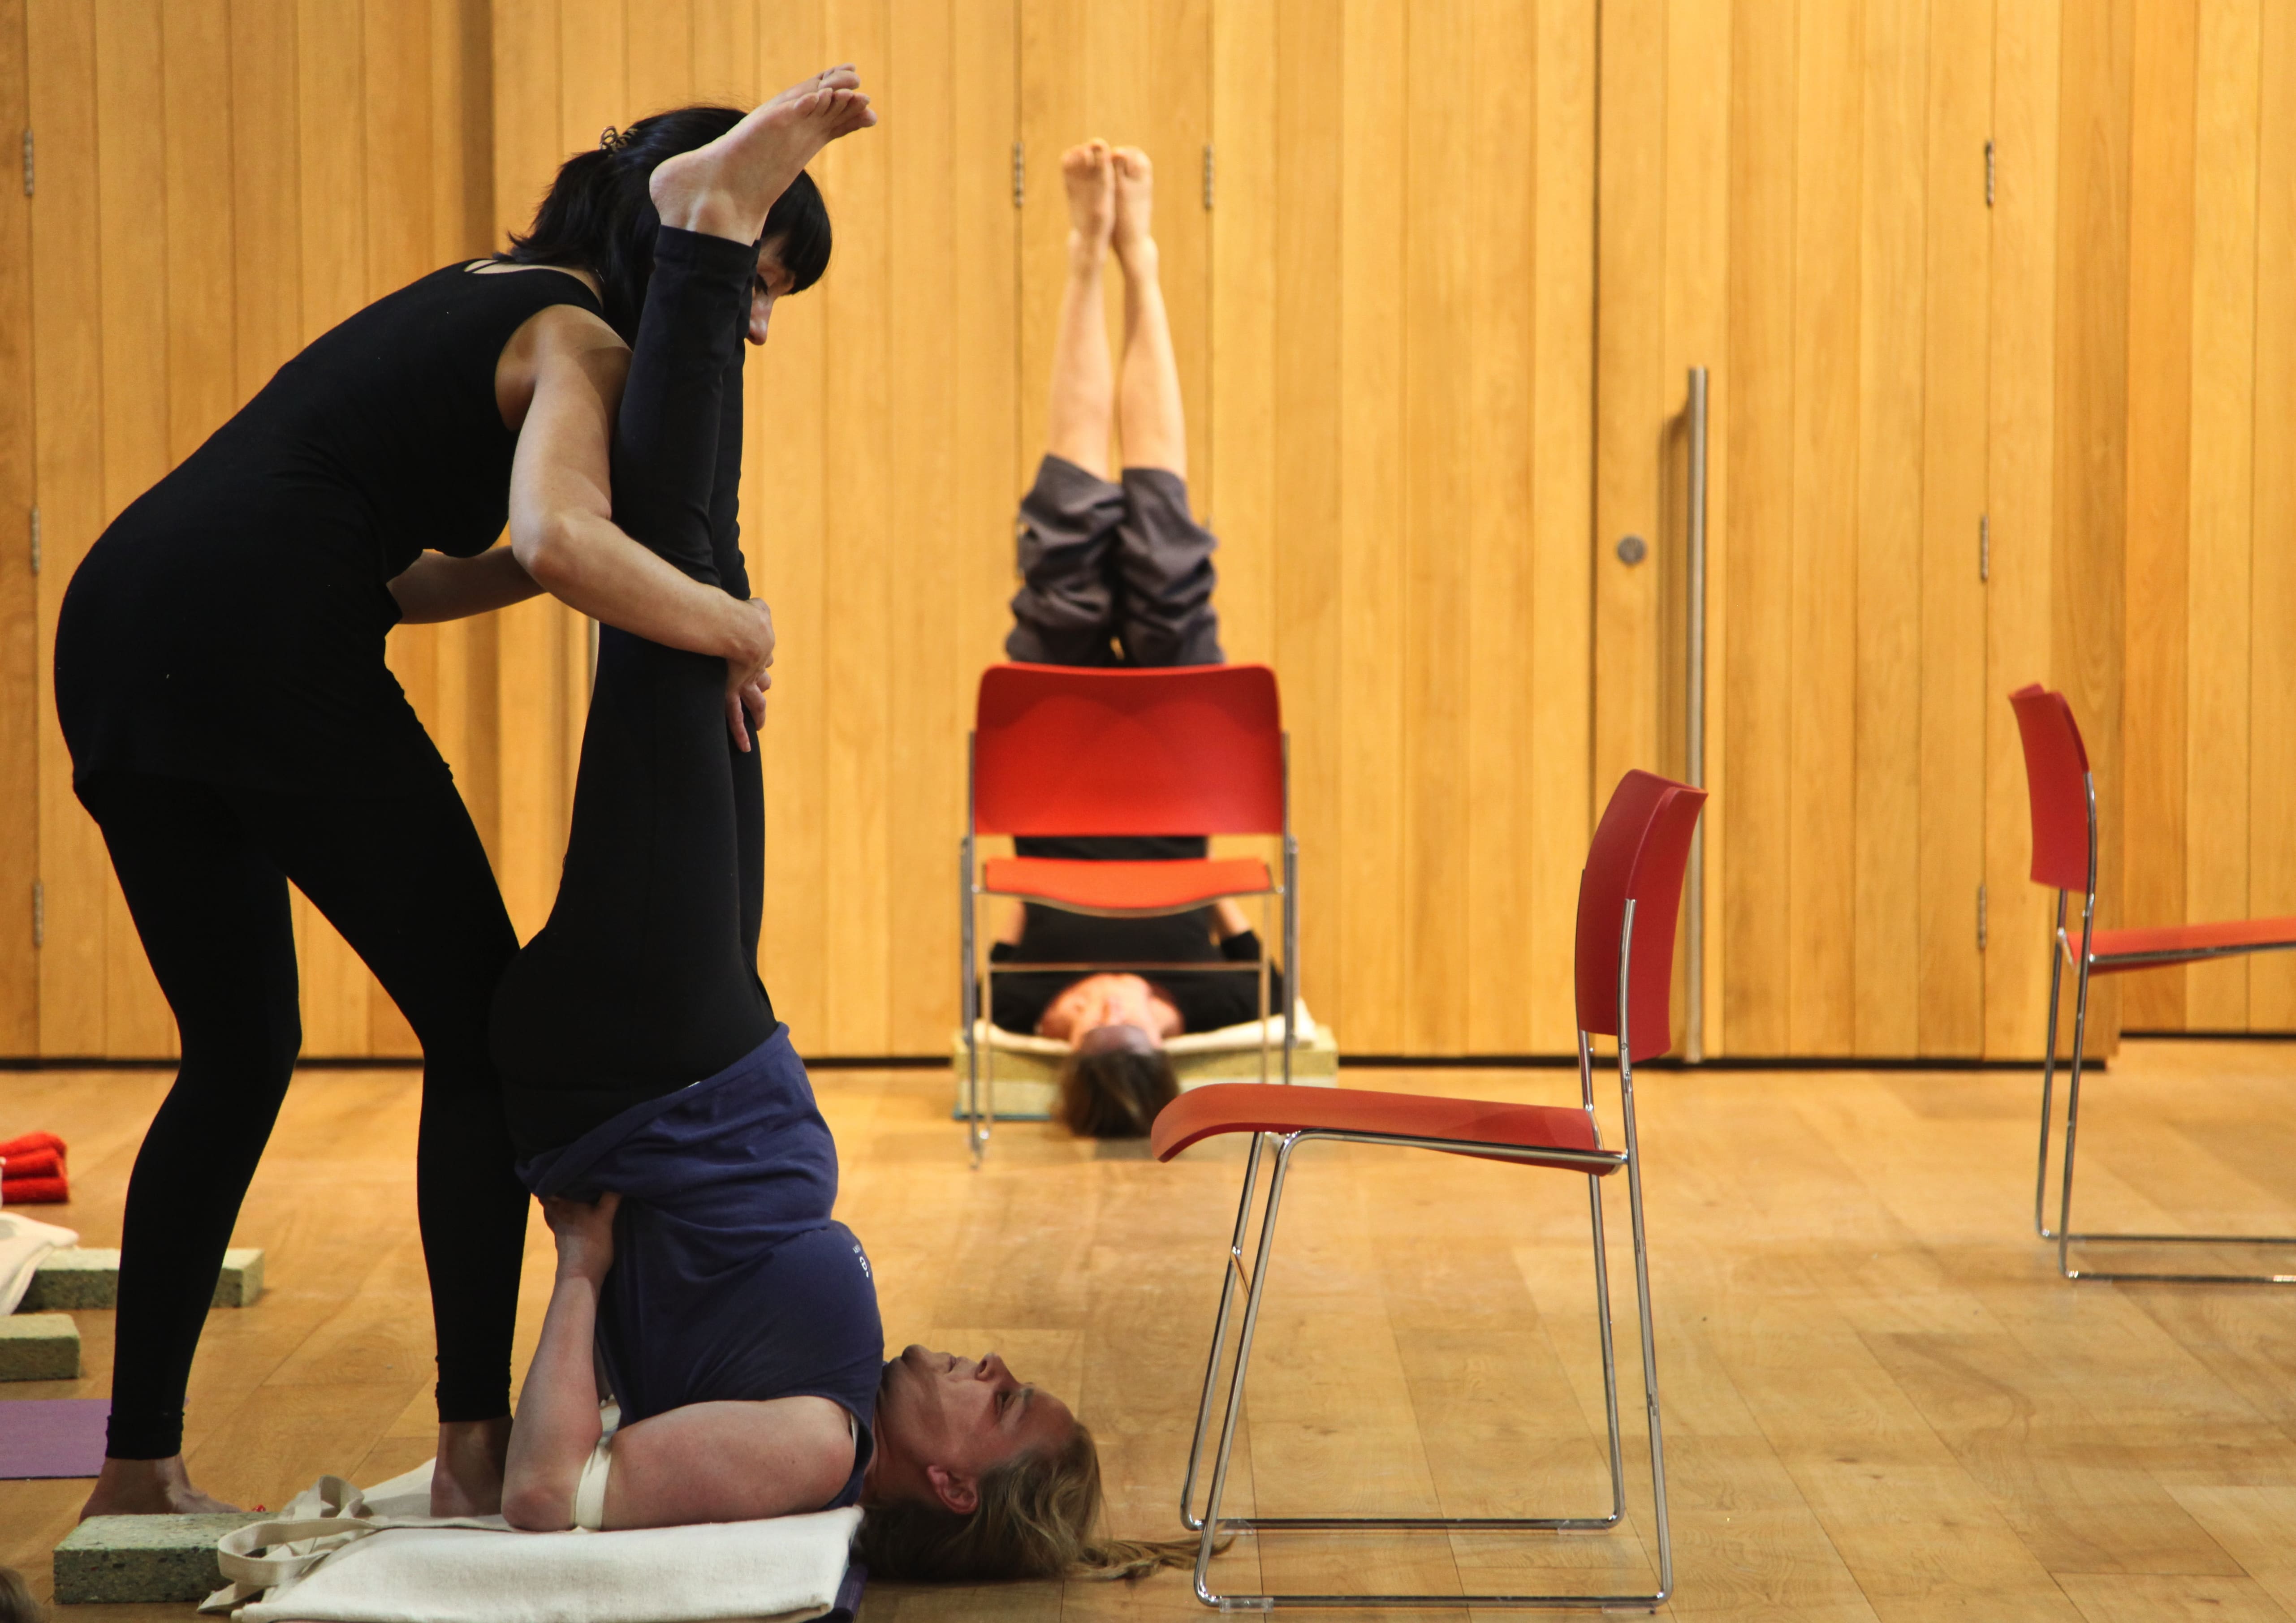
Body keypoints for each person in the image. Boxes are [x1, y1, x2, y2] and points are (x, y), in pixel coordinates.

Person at [51, 72, 841, 1519]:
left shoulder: (481, 289)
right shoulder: (581, 336)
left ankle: (135, 1472)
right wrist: (730, 622)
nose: (761, 323)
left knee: (236, 1053)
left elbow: (411, 570)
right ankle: (476, 1450)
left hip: (118, 632)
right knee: (483, 1032)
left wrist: (618, 584)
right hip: (257, 645)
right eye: (758, 286)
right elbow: (552, 535)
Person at [487, 91, 1191, 1586]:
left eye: (996, 1398)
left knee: (683, 597)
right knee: (701, 606)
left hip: (656, 1071)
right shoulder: (834, 1400)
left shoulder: (814, 1446)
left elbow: (551, 1499)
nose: (986, 1361)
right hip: (698, 1053)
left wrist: (584, 1267)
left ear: (945, 1478)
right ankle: (699, 241)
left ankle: (707, 234)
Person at [988, 141, 1286, 1138]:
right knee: (1163, 530)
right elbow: (1271, 987)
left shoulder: (1020, 999)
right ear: (1172, 1037)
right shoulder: (1215, 999)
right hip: (1173, 743)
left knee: (1067, 519)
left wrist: (1051, 1005)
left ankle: (1086, 253)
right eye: (1141, 1024)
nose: (1115, 1004)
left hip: (1062, 737)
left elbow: (1006, 925)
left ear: (1062, 1041)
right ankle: (1142, 259)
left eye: (1090, 1025)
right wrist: (1219, 925)